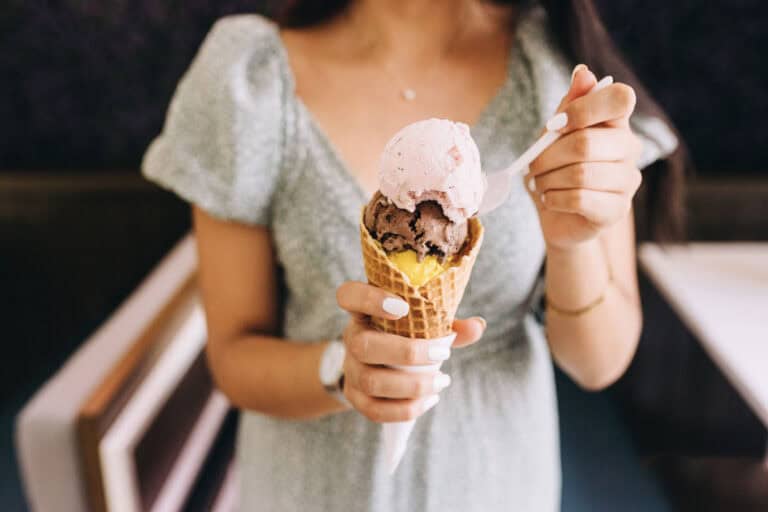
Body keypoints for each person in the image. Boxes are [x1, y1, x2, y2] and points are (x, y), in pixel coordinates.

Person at [143, 0, 682, 509]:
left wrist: (572, 244)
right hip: (310, 488)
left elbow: (598, 362)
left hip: (499, 482)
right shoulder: (250, 76)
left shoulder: (558, 72)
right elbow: (233, 357)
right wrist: (341, 369)